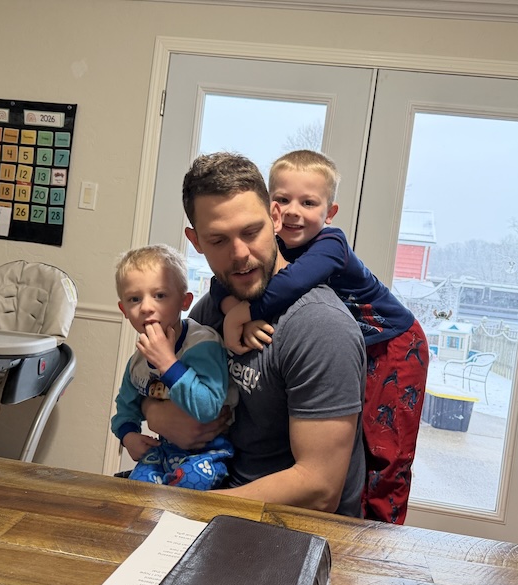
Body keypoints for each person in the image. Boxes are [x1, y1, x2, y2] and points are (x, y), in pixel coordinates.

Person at [143, 152, 367, 517]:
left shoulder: (320, 327)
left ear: (275, 218)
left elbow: (319, 488)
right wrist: (155, 412)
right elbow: (151, 381)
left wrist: (188, 508)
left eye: (251, 232)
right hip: (211, 501)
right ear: (195, 241)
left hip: (285, 532)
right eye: (217, 240)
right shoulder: (211, 310)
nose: (240, 254)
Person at [218, 150, 429, 525]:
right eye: (283, 199)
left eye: (309, 202)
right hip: (358, 342)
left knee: (386, 452)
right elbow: (228, 286)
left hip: (395, 344)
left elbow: (293, 283)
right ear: (272, 210)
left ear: (329, 213)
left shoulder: (331, 244)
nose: (295, 210)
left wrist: (247, 312)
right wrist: (232, 311)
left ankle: (380, 537)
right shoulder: (273, 247)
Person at [110, 244, 236, 490]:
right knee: (137, 490)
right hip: (166, 450)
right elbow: (125, 408)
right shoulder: (137, 363)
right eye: (135, 299)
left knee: (190, 482)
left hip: (211, 451)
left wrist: (168, 364)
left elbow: (209, 408)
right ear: (124, 310)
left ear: (184, 301)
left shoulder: (203, 343)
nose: (146, 307)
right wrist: (128, 436)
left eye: (160, 295)